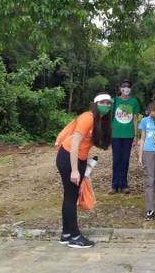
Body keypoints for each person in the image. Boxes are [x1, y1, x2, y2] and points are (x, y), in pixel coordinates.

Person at [57, 93, 112, 248]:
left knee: (70, 195)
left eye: (108, 103)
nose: (106, 105)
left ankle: (66, 234)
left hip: (79, 159)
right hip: (68, 157)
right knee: (71, 197)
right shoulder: (87, 118)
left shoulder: (101, 120)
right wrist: (74, 170)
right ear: (95, 104)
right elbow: (75, 143)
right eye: (103, 102)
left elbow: (98, 142)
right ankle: (75, 236)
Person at [110, 79, 140, 194]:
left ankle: (124, 184)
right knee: (116, 159)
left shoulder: (134, 101)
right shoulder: (114, 101)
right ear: (120, 88)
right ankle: (114, 185)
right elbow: (110, 117)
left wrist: (136, 136)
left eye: (128, 86)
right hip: (115, 134)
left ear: (130, 89)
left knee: (125, 160)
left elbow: (135, 119)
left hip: (128, 135)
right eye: (124, 86)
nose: (126, 88)